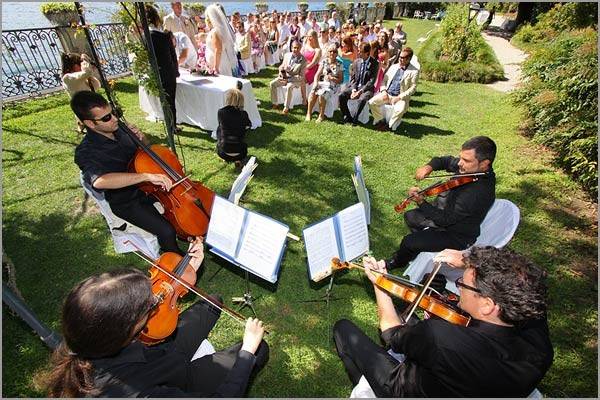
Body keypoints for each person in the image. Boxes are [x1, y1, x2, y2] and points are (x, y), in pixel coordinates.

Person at [39, 244, 269, 397]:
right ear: (126, 331)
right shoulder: (136, 392)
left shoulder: (89, 332)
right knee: (259, 350)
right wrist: (247, 350)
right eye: (147, 306)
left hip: (163, 352)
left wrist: (184, 272)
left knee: (212, 303)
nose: (156, 298)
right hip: (177, 378)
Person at [333, 246, 553, 397]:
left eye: (462, 284)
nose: (457, 288)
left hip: (402, 389)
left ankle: (365, 383)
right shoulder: (540, 348)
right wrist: (469, 260)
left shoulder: (440, 338)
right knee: (408, 315)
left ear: (488, 305)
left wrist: (380, 284)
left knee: (343, 329)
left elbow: (391, 333)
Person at [72, 91, 183, 255]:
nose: (115, 119)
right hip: (127, 201)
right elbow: (100, 181)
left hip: (150, 189)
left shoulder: (121, 129)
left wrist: (142, 139)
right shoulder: (86, 151)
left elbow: (144, 153)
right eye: (106, 118)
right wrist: (146, 177)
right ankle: (174, 259)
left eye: (113, 113)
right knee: (166, 231)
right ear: (90, 123)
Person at [386, 136, 497, 271]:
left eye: (466, 160)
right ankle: (422, 244)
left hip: (456, 234)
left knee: (409, 242)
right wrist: (429, 166)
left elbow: (445, 220)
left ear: (484, 163)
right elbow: (446, 161)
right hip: (448, 214)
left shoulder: (476, 193)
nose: (460, 163)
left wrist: (421, 202)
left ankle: (398, 262)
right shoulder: (470, 169)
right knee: (410, 216)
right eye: (461, 157)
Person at [368, 47, 419, 131]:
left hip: (400, 97)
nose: (400, 59)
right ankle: (381, 120)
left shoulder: (414, 71)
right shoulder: (394, 67)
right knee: (371, 102)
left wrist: (399, 97)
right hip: (387, 94)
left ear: (409, 59)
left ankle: (389, 125)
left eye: (402, 58)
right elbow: (384, 80)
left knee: (400, 109)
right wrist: (384, 91)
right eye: (400, 57)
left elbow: (413, 88)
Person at [145, 4, 180, 129]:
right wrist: (176, 72)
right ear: (156, 19)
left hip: (154, 73)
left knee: (164, 101)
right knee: (170, 102)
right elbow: (172, 56)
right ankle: (172, 126)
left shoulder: (145, 36)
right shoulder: (163, 36)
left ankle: (170, 124)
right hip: (167, 73)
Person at [338, 42, 378, 125]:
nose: (358, 53)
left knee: (362, 99)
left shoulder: (374, 63)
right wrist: (353, 90)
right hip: (355, 87)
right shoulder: (356, 62)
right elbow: (353, 79)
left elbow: (371, 81)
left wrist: (360, 92)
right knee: (342, 95)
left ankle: (355, 119)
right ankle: (347, 116)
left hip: (366, 89)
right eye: (358, 51)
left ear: (367, 53)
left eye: (361, 52)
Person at [306, 43, 343, 122]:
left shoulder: (339, 64)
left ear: (337, 53)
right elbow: (317, 75)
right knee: (313, 91)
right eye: (330, 51)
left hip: (333, 85)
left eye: (334, 51)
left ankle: (321, 115)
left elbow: (341, 80)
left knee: (322, 93)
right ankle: (309, 113)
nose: (332, 53)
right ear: (328, 52)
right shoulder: (324, 62)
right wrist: (315, 83)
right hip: (323, 83)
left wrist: (332, 78)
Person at [216, 88, 251, 169]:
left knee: (219, 129)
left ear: (228, 99)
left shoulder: (221, 112)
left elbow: (220, 125)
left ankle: (226, 157)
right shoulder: (244, 114)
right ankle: (237, 161)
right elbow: (248, 126)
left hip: (223, 153)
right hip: (241, 153)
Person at [270, 39, 307, 115]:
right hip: (284, 77)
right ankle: (275, 103)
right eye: (293, 47)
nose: (295, 49)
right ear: (291, 47)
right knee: (272, 83)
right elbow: (281, 66)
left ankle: (286, 108)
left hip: (295, 80)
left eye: (297, 48)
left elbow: (301, 77)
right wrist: (281, 72)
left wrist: (288, 80)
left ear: (300, 48)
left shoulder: (303, 60)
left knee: (289, 86)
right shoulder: (287, 55)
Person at [205, 4, 238, 76]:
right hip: (222, 61)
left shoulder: (215, 32)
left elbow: (218, 50)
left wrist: (215, 68)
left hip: (219, 64)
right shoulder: (221, 30)